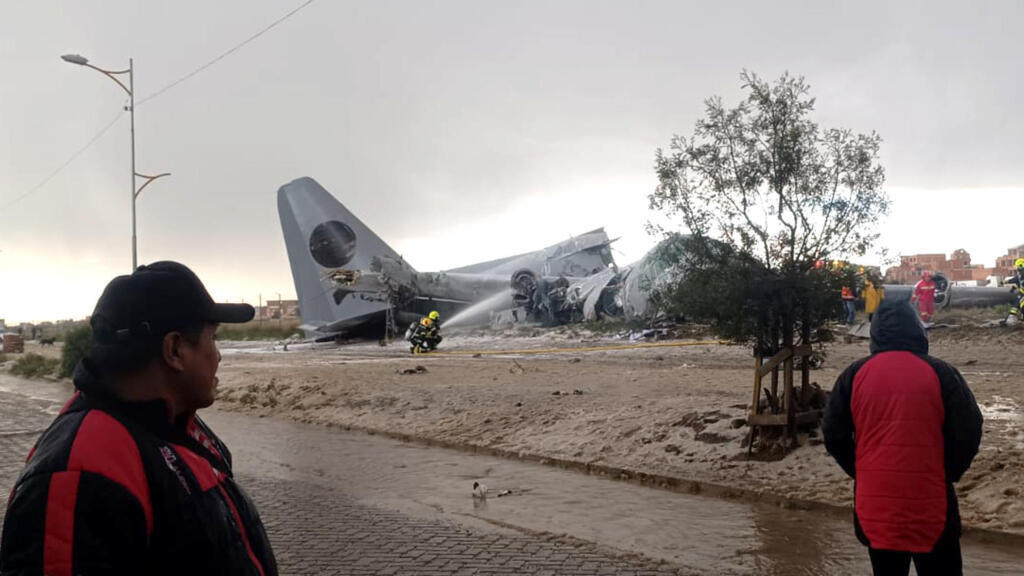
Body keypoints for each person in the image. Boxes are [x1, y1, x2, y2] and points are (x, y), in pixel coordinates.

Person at [0, 262, 277, 575]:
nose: (218, 355)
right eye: (213, 338)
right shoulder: (79, 470)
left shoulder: (176, 425)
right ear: (174, 350)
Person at [823, 299, 982, 576]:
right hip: (932, 501)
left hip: (875, 504)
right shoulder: (941, 372)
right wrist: (949, 472)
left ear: (875, 333)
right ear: (917, 330)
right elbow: (969, 429)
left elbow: (833, 433)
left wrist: (861, 470)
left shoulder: (854, 374)